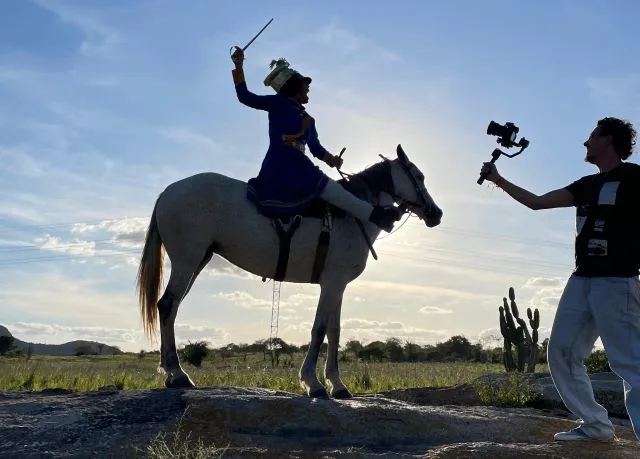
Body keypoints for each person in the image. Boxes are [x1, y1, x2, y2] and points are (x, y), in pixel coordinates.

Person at [480, 116, 640, 442]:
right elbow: (537, 203)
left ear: (608, 140)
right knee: (562, 353)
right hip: (581, 279)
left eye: (592, 136)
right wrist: (498, 179)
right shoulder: (585, 184)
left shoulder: (635, 177)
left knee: (629, 363)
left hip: (618, 281)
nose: (586, 142)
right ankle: (596, 427)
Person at [230, 48, 402, 232]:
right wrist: (239, 66)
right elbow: (245, 97)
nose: (308, 87)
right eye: (305, 84)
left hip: (300, 164)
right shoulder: (278, 103)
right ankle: (378, 217)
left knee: (331, 192)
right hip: (280, 163)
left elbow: (316, 149)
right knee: (332, 190)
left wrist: (332, 159)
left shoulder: (309, 120)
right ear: (294, 87)